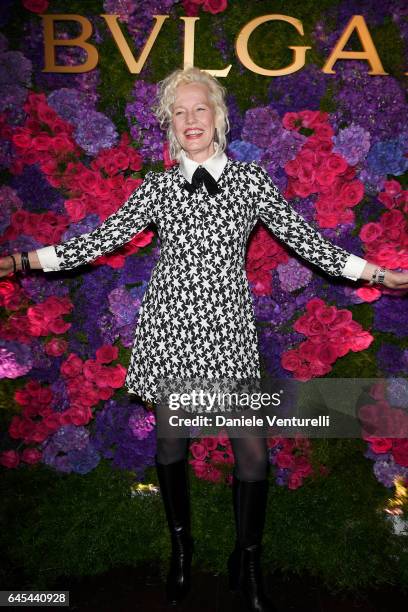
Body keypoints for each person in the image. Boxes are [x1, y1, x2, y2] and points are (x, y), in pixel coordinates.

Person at [1, 66, 408, 611]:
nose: (191, 120)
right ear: (170, 122)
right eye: (180, 110)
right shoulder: (158, 186)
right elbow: (98, 241)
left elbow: (310, 244)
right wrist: (23, 261)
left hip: (228, 333)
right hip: (171, 331)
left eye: (201, 108)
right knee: (171, 443)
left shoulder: (251, 182)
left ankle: (249, 559)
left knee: (253, 458)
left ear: (218, 116)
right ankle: (181, 550)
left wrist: (378, 274)